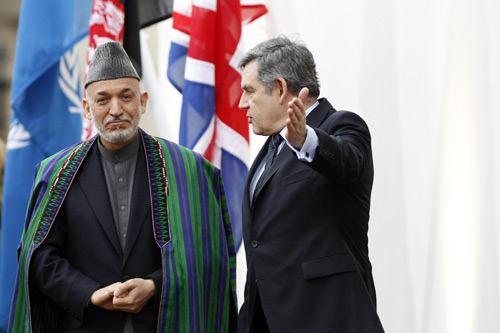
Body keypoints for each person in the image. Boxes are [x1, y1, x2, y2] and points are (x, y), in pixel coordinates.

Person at [9, 41, 237, 332]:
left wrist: (156, 285)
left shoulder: (188, 169)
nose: (115, 109)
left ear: (142, 101)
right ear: (87, 109)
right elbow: (39, 258)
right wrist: (90, 294)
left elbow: (209, 254)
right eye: (103, 100)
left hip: (163, 323)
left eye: (125, 97)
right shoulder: (55, 173)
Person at [236, 35, 384, 332]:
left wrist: (306, 140)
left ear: (279, 88)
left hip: (328, 319)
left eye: (249, 92)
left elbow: (348, 162)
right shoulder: (268, 151)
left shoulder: (342, 126)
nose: (242, 104)